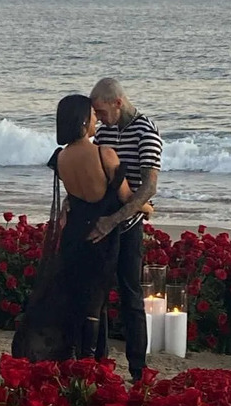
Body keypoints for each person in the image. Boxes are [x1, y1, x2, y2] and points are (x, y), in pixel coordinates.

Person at [11, 94, 153, 362]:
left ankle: (79, 357)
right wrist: (148, 208)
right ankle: (91, 362)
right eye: (93, 114)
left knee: (81, 299)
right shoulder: (104, 154)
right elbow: (126, 197)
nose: (97, 119)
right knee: (95, 303)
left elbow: (75, 197)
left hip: (75, 235)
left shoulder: (61, 158)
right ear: (84, 120)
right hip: (103, 237)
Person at [88, 78, 163, 383]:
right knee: (99, 295)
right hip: (104, 219)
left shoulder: (147, 132)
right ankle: (100, 360)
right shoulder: (104, 131)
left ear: (117, 102)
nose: (99, 119)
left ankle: (138, 367)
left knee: (131, 296)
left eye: (102, 112)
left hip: (128, 223)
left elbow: (149, 188)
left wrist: (115, 219)